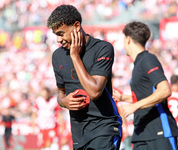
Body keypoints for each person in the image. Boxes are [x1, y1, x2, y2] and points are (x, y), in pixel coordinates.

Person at [47, 4, 122, 150]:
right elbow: (61, 94)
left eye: (61, 33)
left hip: (104, 127)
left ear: (76, 26)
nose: (58, 40)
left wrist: (75, 57)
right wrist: (64, 102)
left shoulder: (103, 48)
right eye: (55, 34)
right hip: (78, 134)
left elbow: (94, 92)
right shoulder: (57, 56)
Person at [112, 21, 178, 150]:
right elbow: (147, 95)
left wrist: (134, 106)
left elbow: (165, 90)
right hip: (142, 133)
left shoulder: (147, 59)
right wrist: (123, 98)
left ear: (128, 39)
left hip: (159, 131)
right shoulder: (138, 64)